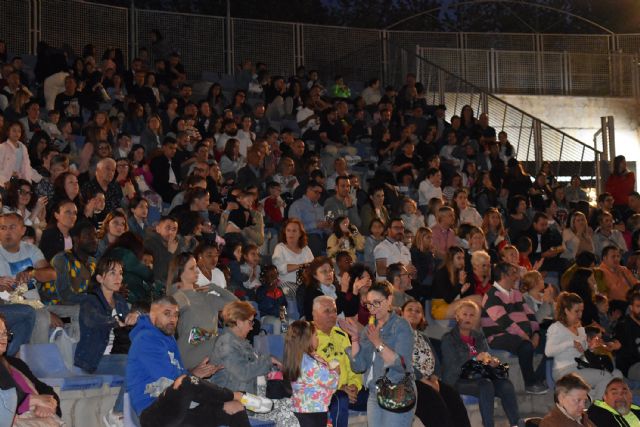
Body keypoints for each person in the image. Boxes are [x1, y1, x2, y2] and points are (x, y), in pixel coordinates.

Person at [126, 296, 255, 427]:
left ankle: (235, 398)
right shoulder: (146, 339)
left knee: (234, 407)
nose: (173, 319)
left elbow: (178, 380)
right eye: (167, 314)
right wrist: (194, 380)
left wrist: (194, 374)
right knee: (186, 382)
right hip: (153, 414)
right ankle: (234, 395)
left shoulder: (168, 338)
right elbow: (173, 381)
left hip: (180, 410)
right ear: (152, 315)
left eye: (176, 315)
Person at [340, 281, 416, 427]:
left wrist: (377, 343)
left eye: (377, 303)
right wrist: (355, 338)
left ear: (389, 300)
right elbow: (359, 366)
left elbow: (402, 365)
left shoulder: (401, 325)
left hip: (398, 390)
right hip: (374, 393)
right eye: (369, 304)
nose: (372, 309)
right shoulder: (370, 327)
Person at [440, 300, 521, 427]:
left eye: (472, 315)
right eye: (464, 314)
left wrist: (492, 362)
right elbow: (452, 367)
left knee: (506, 385)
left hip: (479, 376)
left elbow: (486, 356)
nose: (468, 318)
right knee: (486, 385)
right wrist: (475, 359)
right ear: (457, 316)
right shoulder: (448, 339)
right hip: (457, 380)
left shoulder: (478, 336)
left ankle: (516, 424)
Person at [74, 256, 138, 413]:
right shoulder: (90, 300)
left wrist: (136, 315)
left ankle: (130, 414)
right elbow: (92, 320)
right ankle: (118, 413)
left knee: (142, 362)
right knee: (133, 365)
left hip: (116, 356)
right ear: (100, 278)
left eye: (121, 273)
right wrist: (116, 321)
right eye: (113, 273)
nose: (119, 277)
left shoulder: (120, 301)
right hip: (95, 358)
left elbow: (132, 321)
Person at [401, 300, 471, 427]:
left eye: (418, 311)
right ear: (401, 314)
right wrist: (423, 380)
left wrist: (435, 378)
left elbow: (435, 361)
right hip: (409, 381)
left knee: (452, 396)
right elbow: (402, 361)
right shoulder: (397, 335)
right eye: (409, 309)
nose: (414, 313)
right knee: (434, 402)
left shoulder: (424, 337)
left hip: (429, 379)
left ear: (422, 317)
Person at [481, 262, 548, 394]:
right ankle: (530, 384)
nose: (517, 277)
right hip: (499, 336)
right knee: (525, 346)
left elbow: (530, 315)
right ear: (503, 275)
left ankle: (539, 378)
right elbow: (504, 322)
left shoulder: (516, 293)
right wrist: (525, 336)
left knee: (551, 341)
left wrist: (535, 334)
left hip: (522, 334)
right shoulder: (491, 295)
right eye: (513, 273)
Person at [545, 292, 622, 400]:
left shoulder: (580, 328)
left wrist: (591, 346)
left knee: (616, 376)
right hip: (563, 371)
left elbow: (582, 351)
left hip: (581, 367)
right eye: (576, 311)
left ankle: (592, 403)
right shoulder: (556, 327)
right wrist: (570, 343)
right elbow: (548, 351)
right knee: (607, 378)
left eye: (581, 311)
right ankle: (594, 408)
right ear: (566, 310)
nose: (580, 315)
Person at [167, 252, 237, 371]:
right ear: (180, 272)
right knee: (226, 340)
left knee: (230, 342)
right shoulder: (178, 297)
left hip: (211, 346)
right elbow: (168, 311)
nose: (197, 271)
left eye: (196, 267)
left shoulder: (206, 297)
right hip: (190, 349)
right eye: (192, 268)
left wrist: (215, 287)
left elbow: (237, 305)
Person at [312, 296, 367, 427]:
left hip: (348, 390)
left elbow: (352, 365)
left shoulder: (341, 334)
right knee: (341, 399)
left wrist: (354, 385)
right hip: (324, 392)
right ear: (314, 314)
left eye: (334, 311)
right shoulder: (309, 335)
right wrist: (340, 388)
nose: (332, 315)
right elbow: (310, 372)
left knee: (377, 398)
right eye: (327, 311)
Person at [0, 312, 63, 424]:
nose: (3, 338)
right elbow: (6, 402)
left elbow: (45, 389)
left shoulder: (15, 363)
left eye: (5, 333)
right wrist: (34, 401)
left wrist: (49, 404)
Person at [211, 301, 281, 394]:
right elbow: (243, 373)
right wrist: (269, 360)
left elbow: (253, 365)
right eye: (250, 322)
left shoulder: (240, 340)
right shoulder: (226, 343)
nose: (252, 328)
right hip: (231, 398)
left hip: (245, 393)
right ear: (239, 323)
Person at [283, 319, 339, 427]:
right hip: (313, 412)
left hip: (302, 410)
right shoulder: (309, 363)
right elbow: (331, 382)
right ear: (307, 339)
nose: (318, 338)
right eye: (316, 335)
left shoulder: (297, 359)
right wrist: (335, 371)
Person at [431, 246, 477, 320]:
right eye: (458, 258)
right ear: (451, 259)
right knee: (477, 299)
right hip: (439, 308)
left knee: (476, 305)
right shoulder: (442, 273)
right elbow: (448, 299)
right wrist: (460, 284)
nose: (462, 261)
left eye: (463, 258)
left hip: (451, 304)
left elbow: (459, 295)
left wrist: (462, 291)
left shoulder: (459, 272)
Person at [271, 218, 314, 296]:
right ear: (285, 232)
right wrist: (301, 266)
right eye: (288, 230)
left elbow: (313, 266)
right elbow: (279, 268)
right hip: (286, 284)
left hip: (304, 283)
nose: (291, 233)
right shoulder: (280, 248)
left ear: (300, 233)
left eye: (294, 231)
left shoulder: (306, 249)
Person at [614, 291, 640, 380]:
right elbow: (629, 352)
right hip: (630, 366)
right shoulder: (623, 325)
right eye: (638, 306)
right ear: (631, 307)